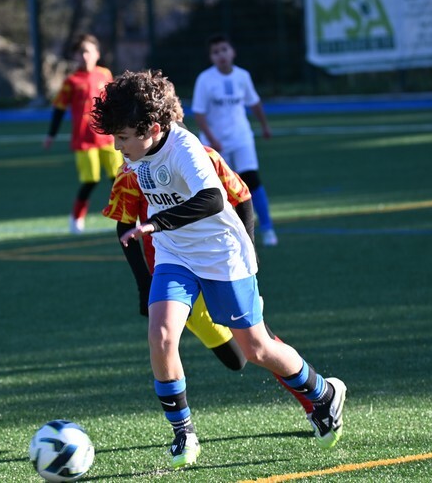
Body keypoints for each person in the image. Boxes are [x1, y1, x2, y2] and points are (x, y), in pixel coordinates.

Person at [91, 69, 346, 469]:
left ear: (153, 129)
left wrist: (156, 224)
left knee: (255, 349)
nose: (117, 146)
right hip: (175, 256)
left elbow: (211, 199)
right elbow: (128, 217)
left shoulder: (187, 149)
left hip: (221, 255)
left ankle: (323, 393)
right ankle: (183, 433)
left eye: (122, 137)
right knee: (161, 336)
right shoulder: (135, 157)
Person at [102, 142, 317, 416]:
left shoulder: (203, 157)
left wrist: (248, 251)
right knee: (235, 359)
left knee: (260, 343)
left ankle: (316, 402)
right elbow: (124, 225)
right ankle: (182, 428)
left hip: (218, 265)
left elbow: (241, 196)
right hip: (174, 273)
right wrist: (144, 284)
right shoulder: (132, 169)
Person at [192, 33, 278, 246]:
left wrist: (265, 126)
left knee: (252, 180)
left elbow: (254, 103)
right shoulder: (205, 79)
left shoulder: (242, 76)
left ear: (233, 52)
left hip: (241, 139)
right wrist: (212, 139)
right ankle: (221, 233)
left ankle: (267, 228)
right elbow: (199, 113)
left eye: (224, 50)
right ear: (211, 57)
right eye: (215, 52)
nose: (221, 55)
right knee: (215, 188)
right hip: (214, 144)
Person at [44, 33, 122, 234]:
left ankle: (127, 216)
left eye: (87, 51)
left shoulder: (105, 74)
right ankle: (76, 217)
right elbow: (59, 109)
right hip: (84, 140)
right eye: (80, 53)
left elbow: (113, 103)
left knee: (119, 178)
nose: (84, 56)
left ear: (97, 53)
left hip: (108, 137)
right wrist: (51, 134)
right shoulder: (72, 81)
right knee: (90, 180)